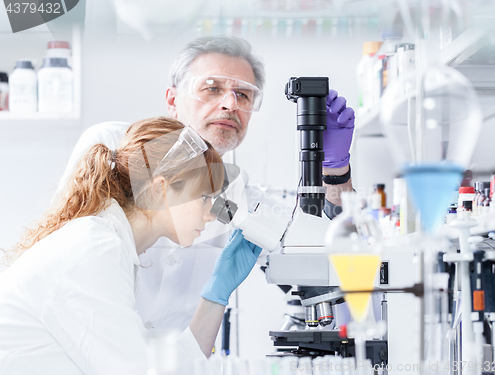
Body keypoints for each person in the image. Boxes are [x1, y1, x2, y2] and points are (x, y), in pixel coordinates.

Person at [57, 36, 356, 333]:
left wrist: (336, 171)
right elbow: (67, 256)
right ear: (173, 100)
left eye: (243, 95)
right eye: (212, 89)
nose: (230, 104)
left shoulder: (241, 197)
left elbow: (331, 252)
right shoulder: (114, 147)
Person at [0, 117, 262, 374]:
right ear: (160, 190)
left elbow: (157, 365)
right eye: (205, 197)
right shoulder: (95, 250)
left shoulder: (110, 244)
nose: (212, 214)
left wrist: (215, 296)